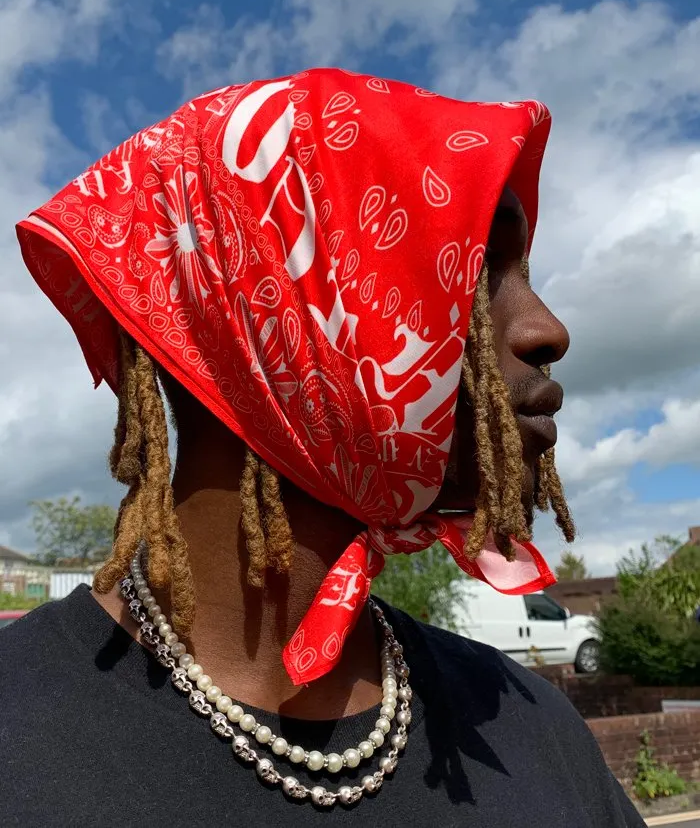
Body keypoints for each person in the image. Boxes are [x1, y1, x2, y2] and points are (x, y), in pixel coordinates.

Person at [1, 69, 643, 826]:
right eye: (473, 267)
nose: (546, 330)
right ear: (266, 324)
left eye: (523, 275)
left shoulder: (526, 725)